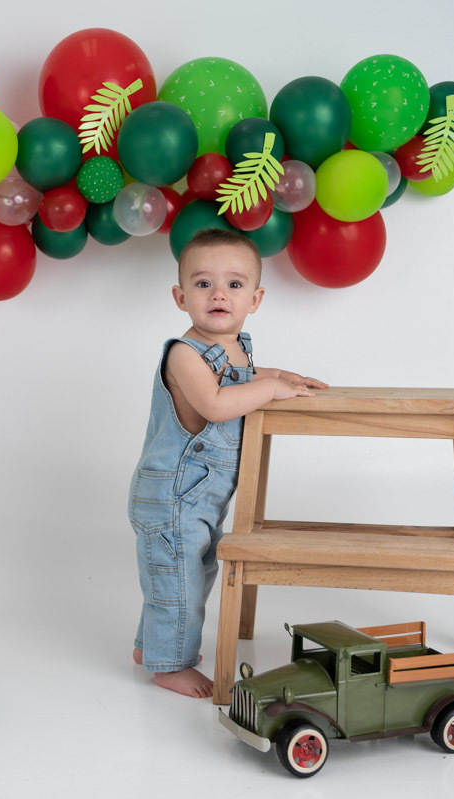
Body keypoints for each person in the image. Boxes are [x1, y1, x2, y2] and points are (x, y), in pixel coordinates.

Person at [129, 228, 327, 698]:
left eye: (235, 285)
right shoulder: (182, 353)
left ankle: (150, 646)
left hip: (200, 496)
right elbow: (217, 402)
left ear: (255, 298)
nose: (219, 294)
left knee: (186, 573)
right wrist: (271, 390)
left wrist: (280, 374)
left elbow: (243, 375)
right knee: (179, 579)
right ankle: (169, 664)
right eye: (203, 284)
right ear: (180, 297)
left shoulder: (236, 348)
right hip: (172, 496)